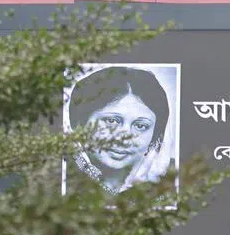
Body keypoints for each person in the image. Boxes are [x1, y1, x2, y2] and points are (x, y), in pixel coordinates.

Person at [65, 65, 175, 193]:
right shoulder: (55, 172)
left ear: (155, 137)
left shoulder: (175, 176)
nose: (124, 138)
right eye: (111, 121)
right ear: (80, 123)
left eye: (140, 126)